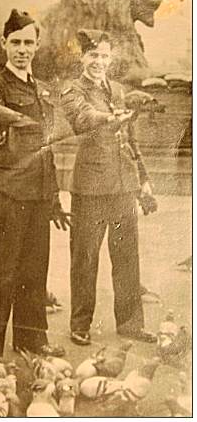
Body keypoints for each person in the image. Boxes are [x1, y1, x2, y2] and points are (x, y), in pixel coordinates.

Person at [0, 9, 70, 360]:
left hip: (38, 195)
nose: (22, 49)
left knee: (33, 270)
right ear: (4, 44)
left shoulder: (43, 90)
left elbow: (48, 153)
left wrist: (55, 199)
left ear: (38, 45)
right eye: (15, 42)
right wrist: (12, 120)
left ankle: (31, 341)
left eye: (29, 42)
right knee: (1, 271)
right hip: (7, 192)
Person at [60, 29, 157, 345]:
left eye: (104, 56)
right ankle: (80, 324)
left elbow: (131, 140)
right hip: (89, 189)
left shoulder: (118, 90)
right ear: (82, 57)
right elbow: (82, 117)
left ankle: (130, 323)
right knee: (85, 258)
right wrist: (109, 117)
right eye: (93, 56)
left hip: (123, 188)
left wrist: (143, 180)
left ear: (110, 58)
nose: (99, 62)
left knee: (127, 257)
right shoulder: (72, 90)